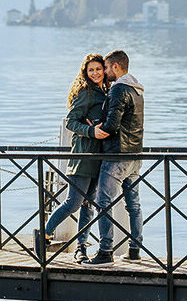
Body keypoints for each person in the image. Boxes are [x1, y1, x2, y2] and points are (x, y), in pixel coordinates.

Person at [34, 53, 108, 263]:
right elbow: (71, 122)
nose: (95, 73)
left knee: (88, 205)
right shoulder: (86, 93)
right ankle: (45, 233)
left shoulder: (105, 91)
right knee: (73, 202)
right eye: (90, 70)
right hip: (83, 154)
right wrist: (90, 131)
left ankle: (81, 247)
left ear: (104, 70)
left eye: (98, 69)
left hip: (99, 156)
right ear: (85, 72)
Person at [83, 49, 144, 267]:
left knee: (103, 202)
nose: (105, 71)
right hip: (135, 156)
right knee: (133, 204)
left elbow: (113, 124)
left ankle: (105, 252)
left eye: (106, 67)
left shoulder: (119, 89)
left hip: (117, 155)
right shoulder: (137, 90)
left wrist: (97, 128)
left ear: (116, 66)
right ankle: (135, 249)